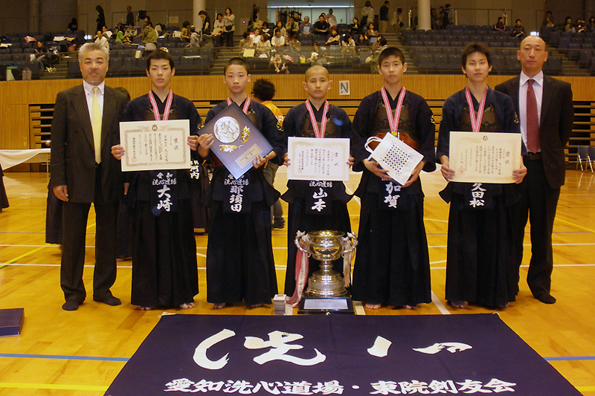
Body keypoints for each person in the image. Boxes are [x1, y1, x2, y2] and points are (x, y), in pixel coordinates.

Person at [438, 43, 527, 309]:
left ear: (490, 66)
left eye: (482, 62)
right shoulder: (454, 102)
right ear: (463, 68)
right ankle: (460, 292)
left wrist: (520, 164)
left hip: (495, 181)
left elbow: (514, 140)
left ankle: (493, 294)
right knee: (463, 240)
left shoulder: (503, 101)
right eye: (472, 63)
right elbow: (444, 144)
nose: (477, 67)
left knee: (493, 238)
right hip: (464, 183)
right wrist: (445, 163)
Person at [110, 50, 200, 310]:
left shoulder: (185, 105)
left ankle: (182, 294)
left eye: (164, 68)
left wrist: (195, 143)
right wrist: (120, 152)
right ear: (147, 72)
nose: (160, 73)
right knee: (146, 239)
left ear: (173, 72)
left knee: (179, 238)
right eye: (155, 68)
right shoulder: (134, 106)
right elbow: (124, 144)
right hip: (146, 185)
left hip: (177, 183)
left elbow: (197, 148)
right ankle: (147, 296)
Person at [351, 47, 436, 310]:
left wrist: (420, 165)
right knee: (375, 237)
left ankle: (407, 294)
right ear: (379, 69)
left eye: (395, 64)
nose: (391, 69)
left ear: (404, 67)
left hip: (407, 182)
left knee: (408, 236)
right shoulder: (368, 103)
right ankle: (374, 293)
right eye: (386, 65)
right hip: (376, 180)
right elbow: (355, 138)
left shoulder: (418, 103)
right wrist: (365, 163)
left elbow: (428, 140)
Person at [198, 58, 285, 309]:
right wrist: (203, 150)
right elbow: (203, 155)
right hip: (223, 183)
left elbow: (278, 145)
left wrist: (266, 156)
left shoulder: (262, 112)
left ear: (248, 78)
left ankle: (257, 294)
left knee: (256, 238)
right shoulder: (215, 113)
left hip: (253, 184)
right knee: (222, 240)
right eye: (231, 76)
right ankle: (223, 293)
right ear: (224, 79)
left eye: (240, 75)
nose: (236, 80)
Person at [50, 42, 129, 311]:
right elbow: (57, 142)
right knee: (73, 239)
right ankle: (72, 291)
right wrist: (57, 179)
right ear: (80, 65)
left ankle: (103, 288)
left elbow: (126, 139)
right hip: (74, 179)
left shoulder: (120, 98)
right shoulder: (66, 97)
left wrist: (127, 175)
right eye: (88, 61)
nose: (93, 66)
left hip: (110, 177)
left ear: (107, 65)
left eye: (98, 61)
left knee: (108, 237)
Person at [495, 36, 573, 304]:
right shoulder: (503, 90)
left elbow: (564, 132)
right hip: (513, 170)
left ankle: (540, 285)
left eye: (537, 49)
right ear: (518, 55)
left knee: (543, 231)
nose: (531, 53)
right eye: (526, 49)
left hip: (546, 170)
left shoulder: (561, 89)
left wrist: (542, 154)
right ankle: (509, 284)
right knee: (512, 231)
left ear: (546, 56)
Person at [282, 65, 353, 301]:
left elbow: (349, 144)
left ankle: (337, 283)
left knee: (335, 235)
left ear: (330, 84)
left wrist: (350, 157)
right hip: (303, 189)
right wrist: (285, 155)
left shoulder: (340, 115)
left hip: (332, 189)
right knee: (302, 238)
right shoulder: (294, 114)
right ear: (305, 85)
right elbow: (283, 144)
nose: (318, 85)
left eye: (323, 80)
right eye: (313, 81)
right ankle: (300, 285)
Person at [251, 79, 285, 230]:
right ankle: (278, 218)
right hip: (274, 155)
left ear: (254, 94)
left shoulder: (261, 110)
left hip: (266, 156)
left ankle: (270, 222)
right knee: (269, 185)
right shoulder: (276, 109)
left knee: (266, 188)